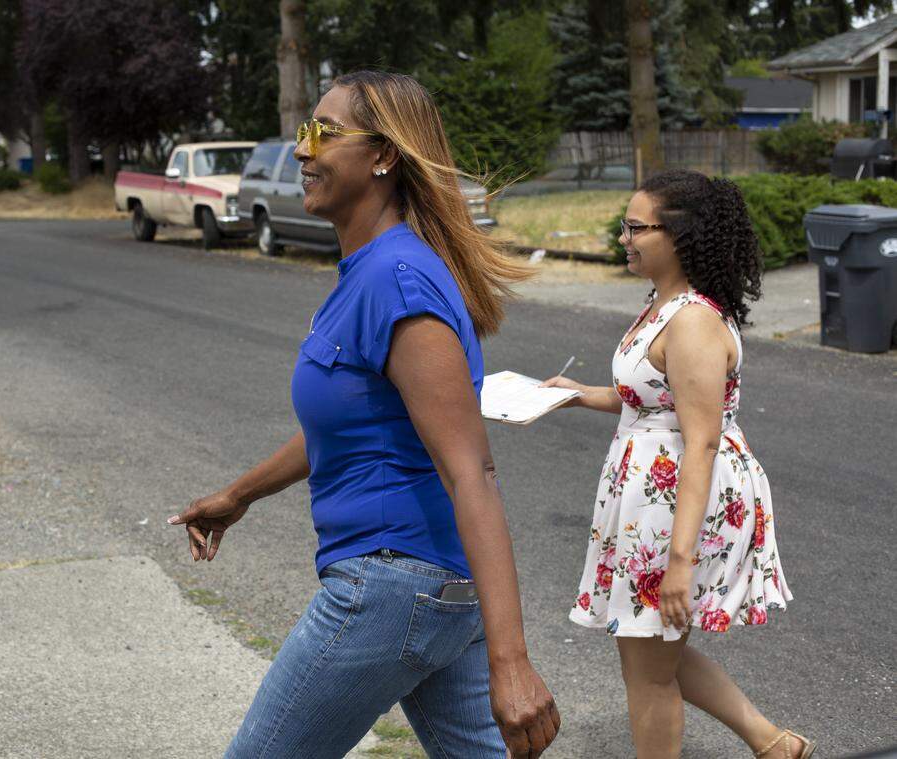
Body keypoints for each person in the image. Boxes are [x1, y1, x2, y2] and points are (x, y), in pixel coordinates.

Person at [167, 70, 560, 758]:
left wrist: (512, 661)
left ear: (383, 155)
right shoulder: (371, 272)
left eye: (323, 132)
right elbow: (345, 427)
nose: (302, 151)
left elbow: (474, 472)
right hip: (432, 589)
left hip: (390, 585)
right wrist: (239, 495)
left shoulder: (397, 279)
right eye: (302, 132)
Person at [542, 170, 813, 759]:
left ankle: (772, 745)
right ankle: (773, 745)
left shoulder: (692, 321)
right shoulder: (663, 305)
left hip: (680, 507)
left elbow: (702, 442)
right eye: (625, 225)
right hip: (652, 505)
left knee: (648, 669)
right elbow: (644, 395)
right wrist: (573, 393)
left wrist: (679, 563)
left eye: (637, 227)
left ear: (681, 235)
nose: (624, 238)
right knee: (650, 650)